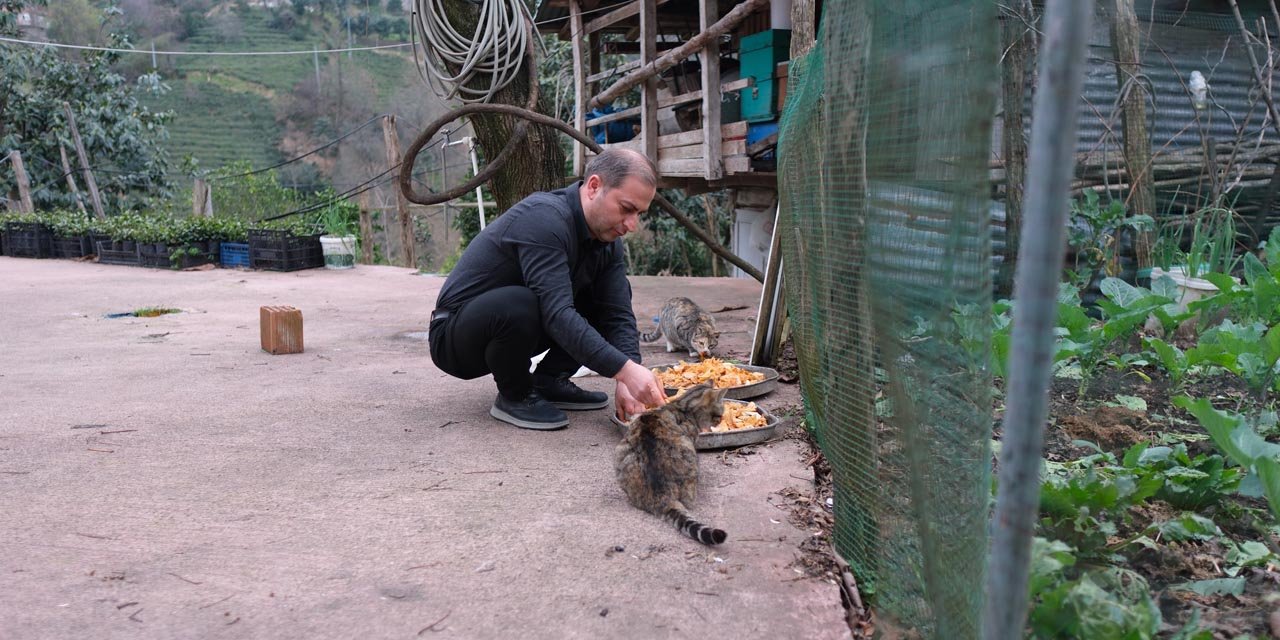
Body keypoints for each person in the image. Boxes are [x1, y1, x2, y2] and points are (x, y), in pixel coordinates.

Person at [428, 148, 668, 430]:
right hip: (456, 339)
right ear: (594, 187)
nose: (632, 225)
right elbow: (556, 315)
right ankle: (515, 395)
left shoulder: (607, 241)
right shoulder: (545, 219)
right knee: (524, 303)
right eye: (627, 208)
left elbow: (617, 312)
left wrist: (627, 379)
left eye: (639, 213)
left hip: (516, 328)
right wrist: (626, 372)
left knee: (607, 296)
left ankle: (549, 380)